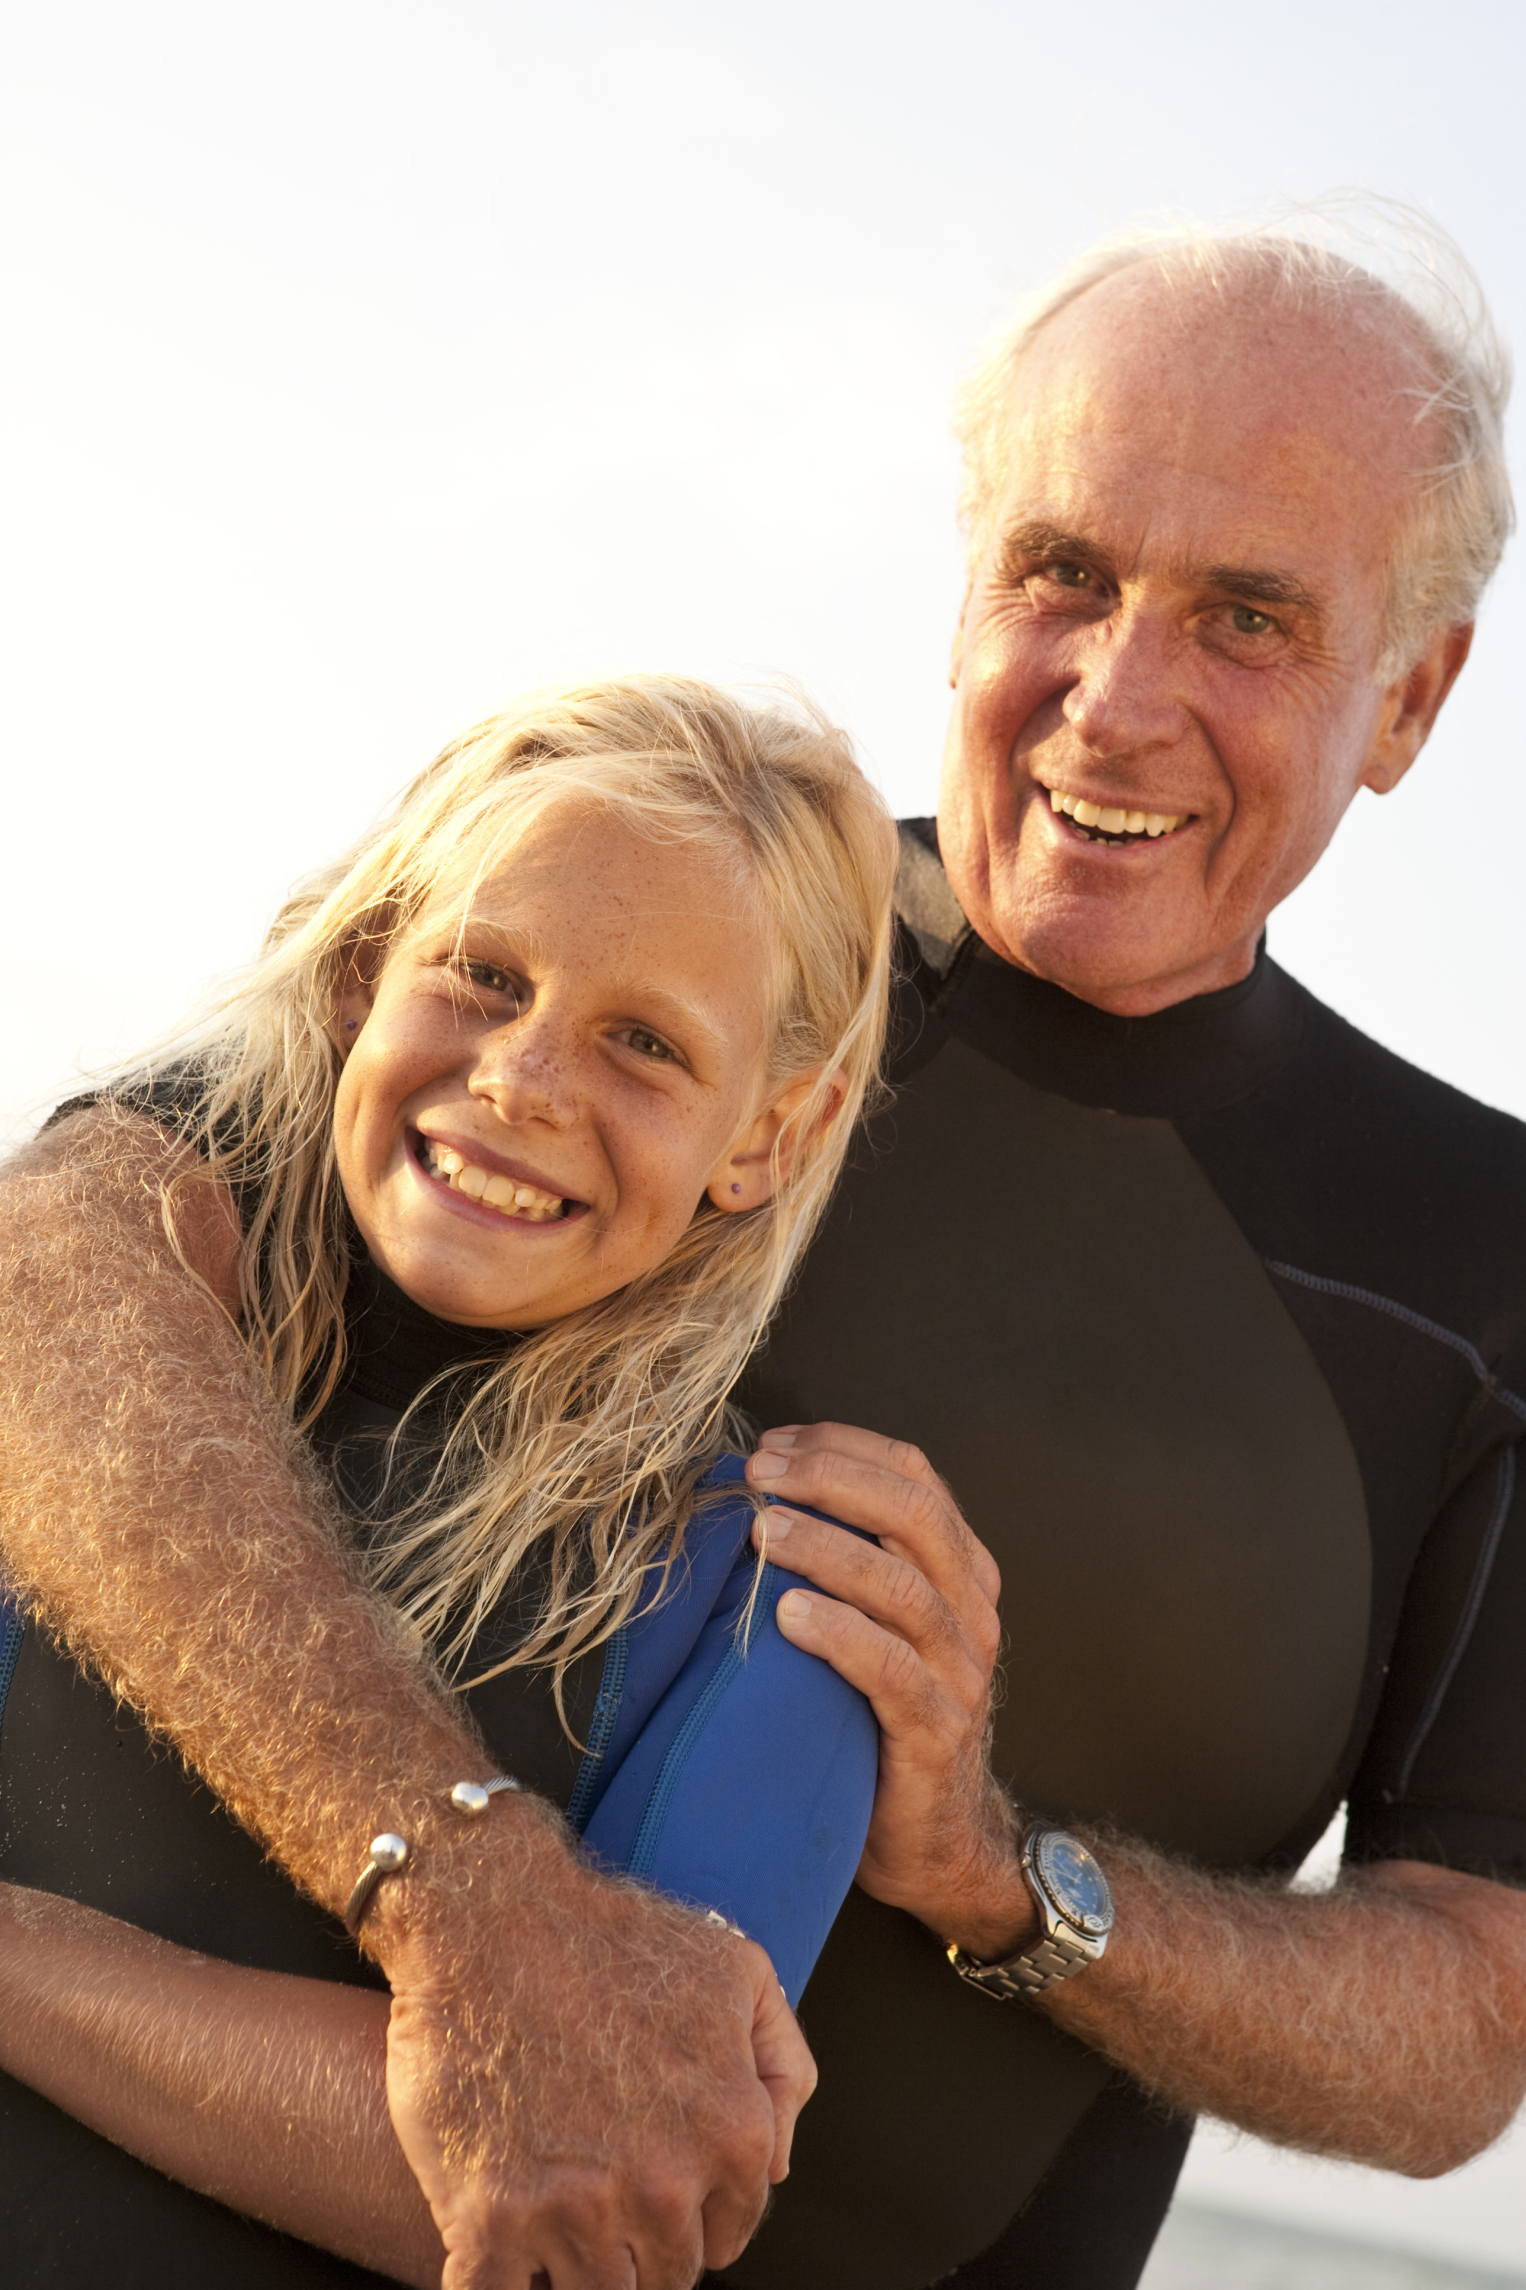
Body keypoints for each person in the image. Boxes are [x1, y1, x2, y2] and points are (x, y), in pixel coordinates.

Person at [5, 199, 1526, 2290]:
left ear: (1410, 697)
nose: (1113, 695)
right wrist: (466, 1891)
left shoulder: (1480, 1265)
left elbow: (1465, 2025)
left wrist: (1002, 1877)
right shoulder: (643, 934)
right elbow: (56, 1272)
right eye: (1061, 573)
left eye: (1248, 617)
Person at [0, 676, 897, 2284]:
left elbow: (582, 2169)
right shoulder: (99, 1390)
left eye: (642, 1041)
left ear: (771, 1129)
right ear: (364, 971)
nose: (525, 1078)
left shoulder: (764, 1595)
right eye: (483, 975)